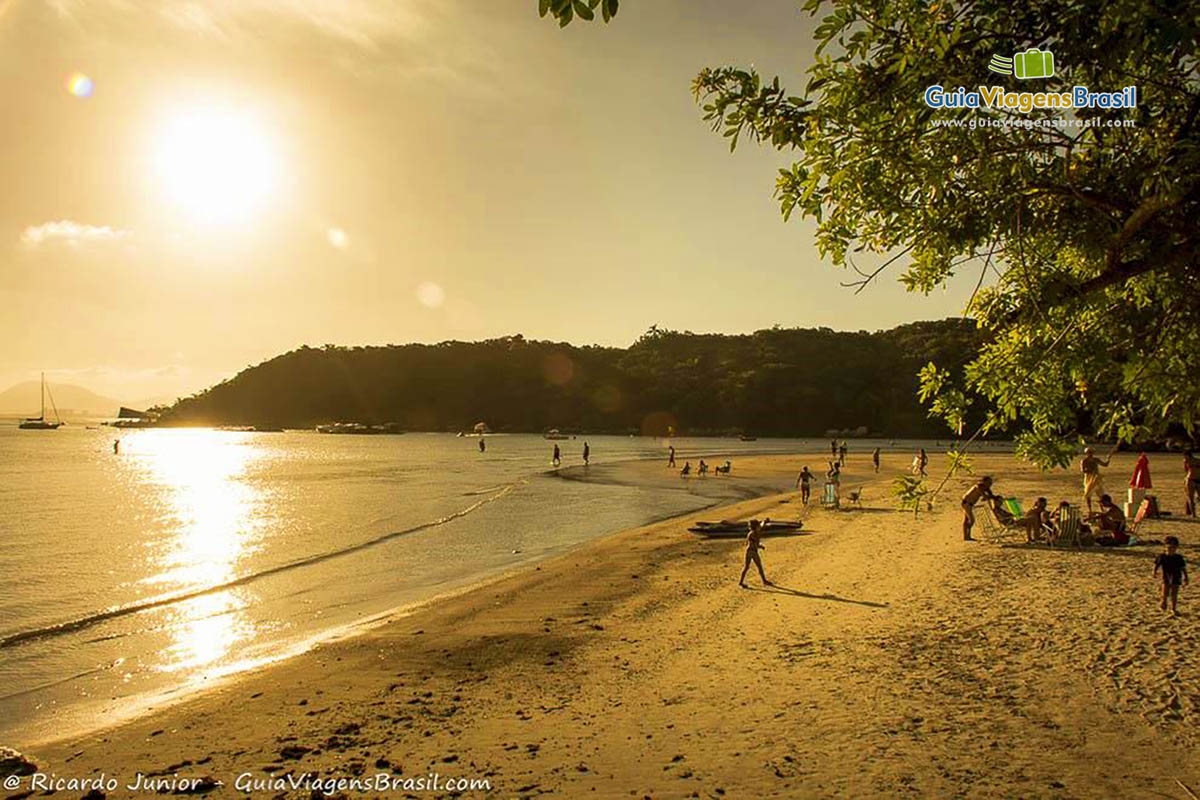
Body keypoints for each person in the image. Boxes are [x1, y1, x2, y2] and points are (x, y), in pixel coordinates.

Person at [1154, 536, 1188, 615]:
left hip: (1176, 575)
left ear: (1176, 548)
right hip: (1165, 575)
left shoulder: (1179, 558)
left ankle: (1173, 608)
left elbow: (1183, 568)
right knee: (1165, 591)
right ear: (1165, 547)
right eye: (1169, 547)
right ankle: (1164, 602)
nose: (1171, 549)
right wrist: (1154, 572)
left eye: (1173, 547)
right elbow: (1157, 565)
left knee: (1174, 593)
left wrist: (1186, 577)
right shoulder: (1162, 556)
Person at [961, 475, 996, 541]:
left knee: (967, 520)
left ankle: (967, 536)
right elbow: (985, 496)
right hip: (967, 503)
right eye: (989, 483)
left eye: (990, 483)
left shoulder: (986, 488)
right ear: (984, 482)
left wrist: (992, 496)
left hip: (969, 504)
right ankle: (967, 535)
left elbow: (989, 495)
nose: (990, 484)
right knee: (971, 520)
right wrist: (991, 497)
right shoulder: (979, 487)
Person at [738, 519, 772, 588]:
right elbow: (754, 543)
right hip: (751, 551)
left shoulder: (754, 532)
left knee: (758, 566)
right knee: (747, 567)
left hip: (753, 551)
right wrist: (760, 546)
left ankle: (764, 580)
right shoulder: (752, 534)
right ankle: (741, 582)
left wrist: (764, 522)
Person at [1081, 446, 1113, 513]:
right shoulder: (1084, 461)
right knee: (1088, 494)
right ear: (1086, 453)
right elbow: (1083, 470)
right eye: (1089, 452)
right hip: (1089, 479)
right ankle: (1090, 509)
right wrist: (1090, 470)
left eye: (1091, 452)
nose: (1090, 454)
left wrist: (1108, 459)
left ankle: (1102, 509)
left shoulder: (1096, 460)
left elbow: (1105, 464)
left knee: (1101, 494)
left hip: (1097, 478)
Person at [1185, 451, 1199, 517]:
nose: (1185, 458)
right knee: (1190, 497)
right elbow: (1186, 470)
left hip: (1198, 479)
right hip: (1190, 479)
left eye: (1186, 456)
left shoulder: (1197, 461)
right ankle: (1193, 514)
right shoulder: (1185, 461)